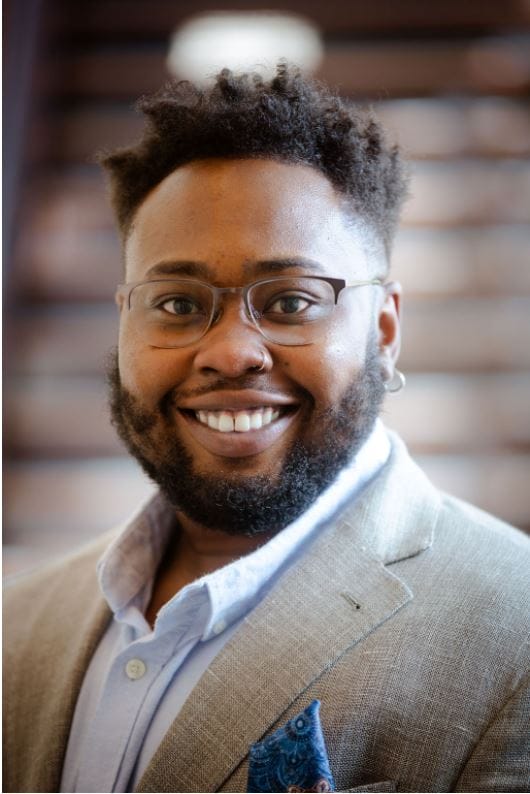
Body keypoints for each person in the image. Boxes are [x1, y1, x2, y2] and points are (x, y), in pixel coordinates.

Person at [3, 64, 529, 794]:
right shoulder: (15, 623)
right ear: (123, 321)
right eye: (179, 304)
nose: (227, 353)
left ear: (383, 330)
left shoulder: (515, 634)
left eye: (289, 301)